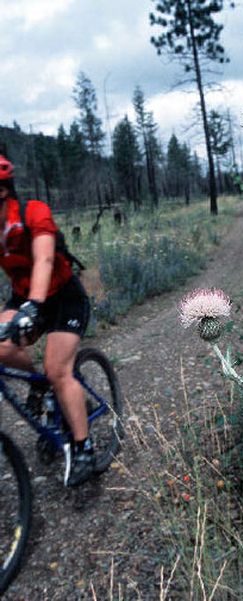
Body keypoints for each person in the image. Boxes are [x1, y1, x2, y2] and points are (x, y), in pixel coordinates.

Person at [0, 154, 93, 487]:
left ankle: (84, 447)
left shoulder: (33, 212)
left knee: (58, 370)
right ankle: (37, 383)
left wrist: (34, 306)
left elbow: (43, 259)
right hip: (24, 299)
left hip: (63, 298)